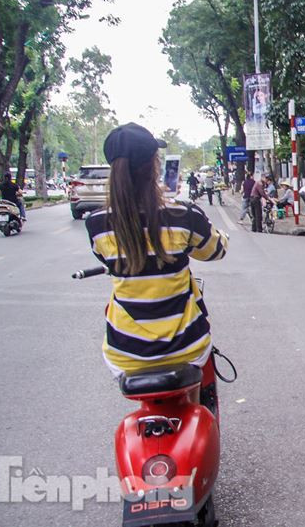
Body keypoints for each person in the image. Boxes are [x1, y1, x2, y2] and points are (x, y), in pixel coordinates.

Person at [85, 123, 228, 404]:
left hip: (125, 353)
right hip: (186, 347)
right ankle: (202, 408)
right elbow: (215, 251)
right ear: (154, 165)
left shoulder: (97, 224)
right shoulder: (183, 215)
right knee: (202, 370)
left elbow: (106, 259)